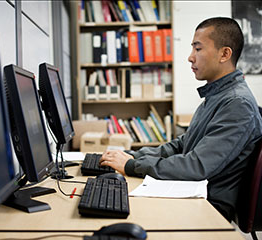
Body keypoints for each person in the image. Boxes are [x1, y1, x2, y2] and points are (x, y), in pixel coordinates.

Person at [100, 17, 262, 221]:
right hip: (192, 193)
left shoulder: (237, 104)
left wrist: (132, 166)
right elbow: (181, 146)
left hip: (208, 206)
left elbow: (196, 166)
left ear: (225, 54)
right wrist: (133, 156)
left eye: (198, 49)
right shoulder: (217, 96)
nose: (190, 57)